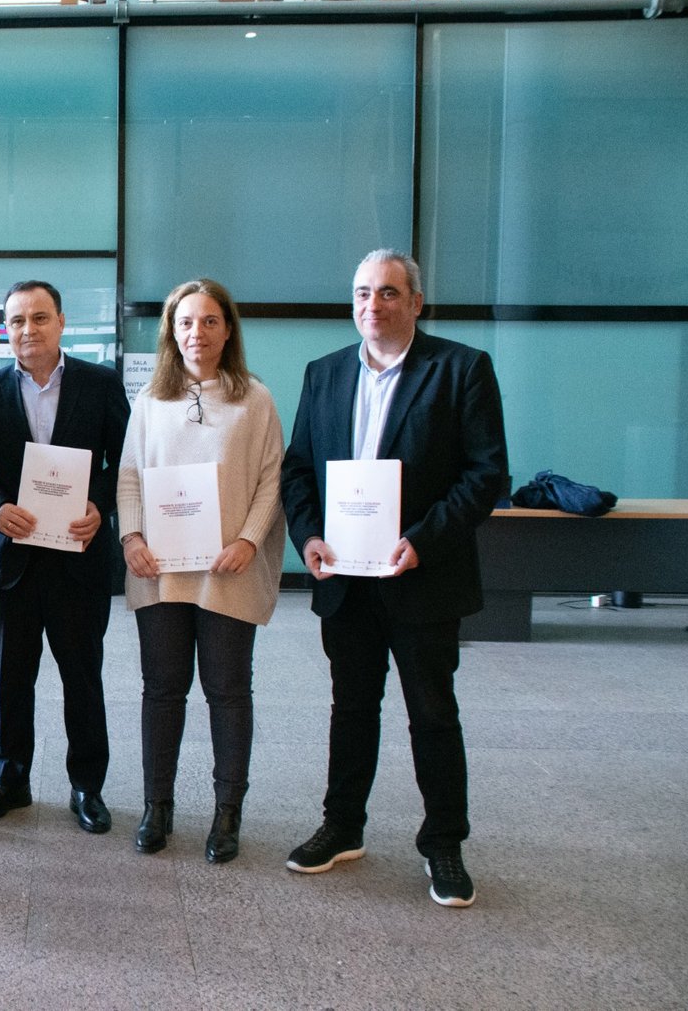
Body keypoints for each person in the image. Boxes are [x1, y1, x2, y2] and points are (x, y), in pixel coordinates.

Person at [280, 249, 507, 908]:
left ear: (415, 301)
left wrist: (421, 541)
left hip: (422, 578)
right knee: (351, 708)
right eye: (361, 294)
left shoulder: (461, 369)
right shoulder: (323, 375)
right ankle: (343, 827)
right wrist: (309, 536)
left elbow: (485, 475)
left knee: (432, 714)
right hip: (346, 580)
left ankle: (444, 845)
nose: (371, 306)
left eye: (386, 293)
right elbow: (298, 472)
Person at [116, 279, 285, 862]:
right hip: (160, 568)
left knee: (228, 691)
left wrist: (248, 539)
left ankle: (226, 813)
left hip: (227, 569)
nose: (197, 332)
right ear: (171, 332)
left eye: (210, 321)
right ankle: (156, 806)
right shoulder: (149, 401)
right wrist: (131, 535)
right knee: (162, 691)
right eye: (186, 322)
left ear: (228, 329)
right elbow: (130, 475)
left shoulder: (254, 399)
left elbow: (271, 479)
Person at [0, 281, 128, 835]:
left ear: (61, 322)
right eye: (17, 321)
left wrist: (100, 507)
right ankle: (10, 779)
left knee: (83, 677)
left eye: (38, 318)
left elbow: (121, 463)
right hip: (13, 561)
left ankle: (87, 786)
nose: (27, 330)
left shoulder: (100, 385)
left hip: (79, 556)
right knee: (11, 677)